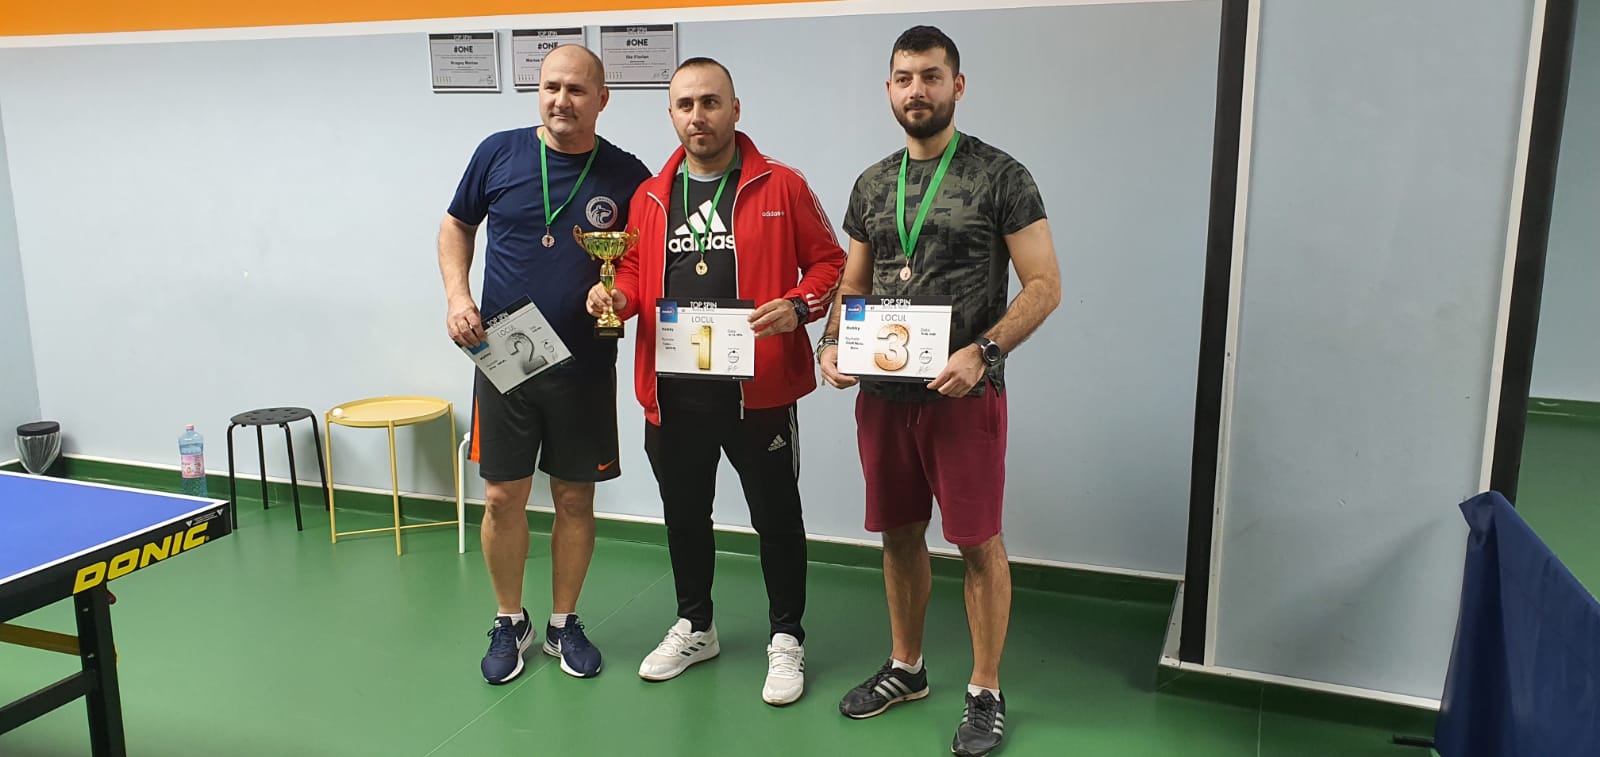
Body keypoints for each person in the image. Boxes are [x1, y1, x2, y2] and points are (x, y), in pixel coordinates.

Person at [817, 26, 1061, 757]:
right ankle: (907, 667)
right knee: (898, 533)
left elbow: (1044, 285)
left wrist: (984, 352)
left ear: (958, 84)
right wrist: (831, 342)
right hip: (884, 397)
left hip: (963, 396)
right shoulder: (871, 183)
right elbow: (852, 282)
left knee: (978, 543)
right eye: (904, 78)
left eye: (930, 76)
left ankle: (985, 691)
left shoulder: (1001, 175)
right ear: (889, 89)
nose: (916, 90)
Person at [586, 57, 845, 705]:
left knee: (776, 517)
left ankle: (786, 637)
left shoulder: (781, 184)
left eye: (709, 102)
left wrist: (799, 306)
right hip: (673, 390)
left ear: (735, 109)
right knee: (684, 515)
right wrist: (615, 299)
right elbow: (633, 275)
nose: (697, 116)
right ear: (671, 114)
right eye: (685, 104)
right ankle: (696, 626)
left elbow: (833, 264)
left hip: (757, 391)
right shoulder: (650, 195)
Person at [438, 44, 651, 684]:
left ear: (602, 99)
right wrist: (458, 297)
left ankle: (563, 622)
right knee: (502, 496)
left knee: (575, 498)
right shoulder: (498, 153)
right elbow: (456, 227)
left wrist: (620, 296)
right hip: (505, 358)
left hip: (585, 362)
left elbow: (640, 263)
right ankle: (510, 619)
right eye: (552, 87)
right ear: (539, 90)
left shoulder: (628, 174)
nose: (562, 100)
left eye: (577, 90)